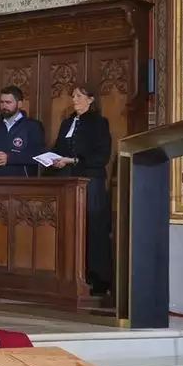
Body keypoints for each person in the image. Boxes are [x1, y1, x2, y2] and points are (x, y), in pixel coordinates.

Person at [50, 85, 113, 295]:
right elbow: (59, 148)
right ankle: (69, 276)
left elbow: (102, 156)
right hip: (67, 182)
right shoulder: (67, 122)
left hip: (90, 181)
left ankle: (97, 278)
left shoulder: (99, 123)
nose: (74, 99)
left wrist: (74, 160)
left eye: (79, 96)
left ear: (91, 99)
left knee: (92, 227)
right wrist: (55, 160)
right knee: (68, 228)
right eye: (73, 96)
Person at [0, 85, 45, 177]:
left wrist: (9, 158)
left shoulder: (33, 126)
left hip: (22, 182)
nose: (4, 106)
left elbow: (39, 154)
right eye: (2, 102)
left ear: (20, 104)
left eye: (8, 102)